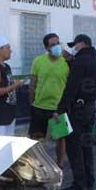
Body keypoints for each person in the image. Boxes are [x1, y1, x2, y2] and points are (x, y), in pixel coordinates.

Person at [54, 34, 96, 190]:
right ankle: (90, 180)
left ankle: (79, 184)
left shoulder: (80, 62)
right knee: (86, 145)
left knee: (74, 148)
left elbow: (71, 88)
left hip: (77, 110)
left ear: (81, 44)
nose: (73, 48)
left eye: (74, 45)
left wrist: (60, 109)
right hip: (90, 107)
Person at [28, 33, 69, 167]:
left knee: (60, 138)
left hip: (59, 108)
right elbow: (32, 84)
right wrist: (32, 104)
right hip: (39, 107)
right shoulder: (38, 61)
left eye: (58, 43)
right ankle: (37, 166)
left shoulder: (66, 62)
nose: (57, 46)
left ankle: (60, 165)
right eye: (53, 44)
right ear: (47, 48)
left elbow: (70, 85)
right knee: (37, 139)